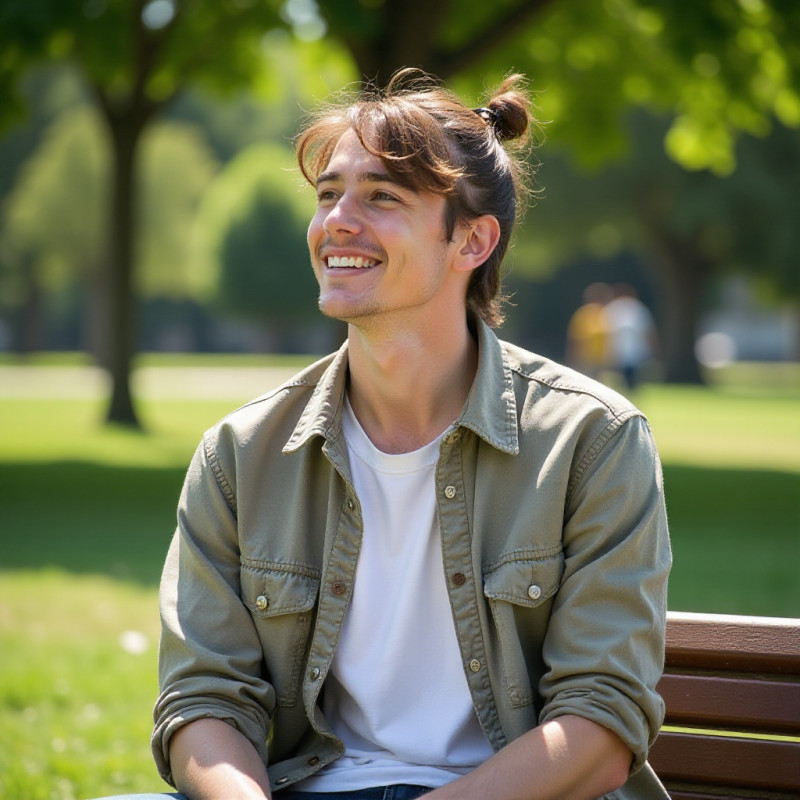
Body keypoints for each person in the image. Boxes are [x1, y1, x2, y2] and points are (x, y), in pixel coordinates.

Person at [108, 68, 672, 800]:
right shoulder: (238, 456)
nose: (337, 220)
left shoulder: (593, 443)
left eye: (382, 197)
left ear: (472, 241)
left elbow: (600, 727)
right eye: (327, 194)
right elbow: (203, 701)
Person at [603, 284, 659, 392]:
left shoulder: (637, 309)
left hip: (634, 354)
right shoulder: (615, 309)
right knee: (619, 382)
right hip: (619, 353)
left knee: (632, 382)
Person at [565, 282, 614, 380]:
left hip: (600, 359)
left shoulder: (608, 313)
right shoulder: (586, 314)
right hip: (587, 359)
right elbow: (577, 339)